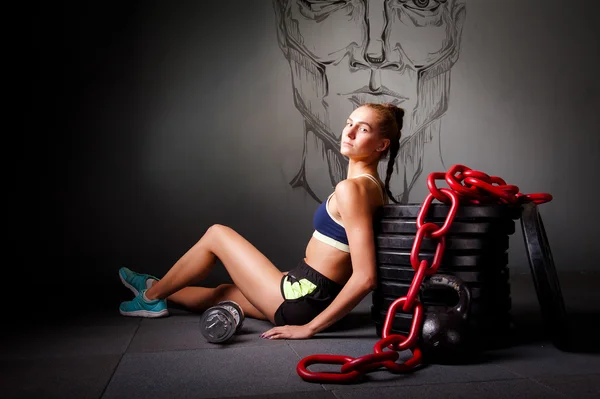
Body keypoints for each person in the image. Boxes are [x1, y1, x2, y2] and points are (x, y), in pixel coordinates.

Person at [118, 103, 404, 340]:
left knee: (217, 234)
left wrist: (309, 329)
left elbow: (366, 277)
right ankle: (157, 287)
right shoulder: (373, 188)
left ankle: (150, 296)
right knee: (223, 293)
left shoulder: (351, 189)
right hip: (305, 290)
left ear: (382, 144)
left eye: (363, 129)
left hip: (302, 300)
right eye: (349, 123)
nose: (350, 132)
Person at [272, 0, 466, 204]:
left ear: (456, 26)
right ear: (282, 23)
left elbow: (360, 238)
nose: (375, 53)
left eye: (420, 2)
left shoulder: (352, 190)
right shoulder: (368, 187)